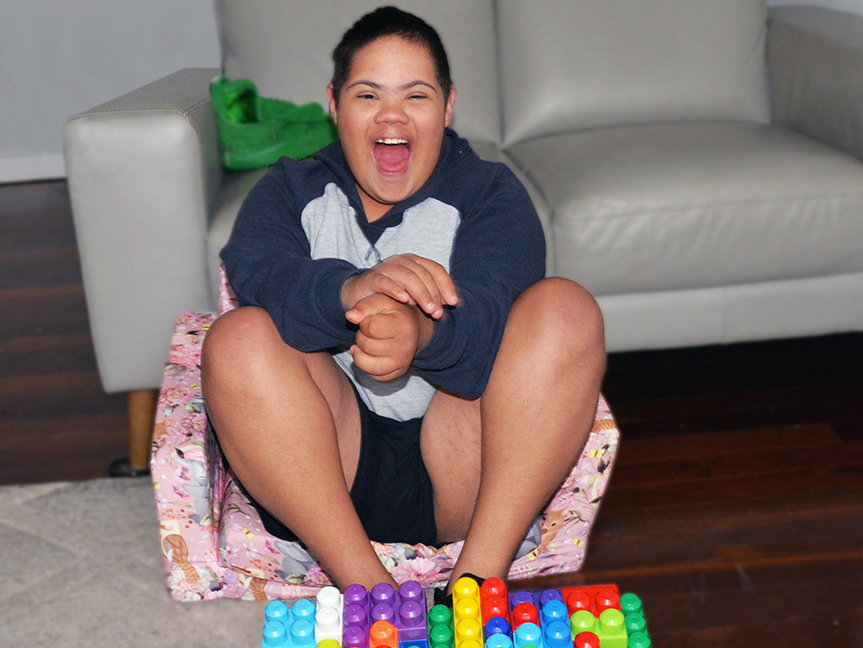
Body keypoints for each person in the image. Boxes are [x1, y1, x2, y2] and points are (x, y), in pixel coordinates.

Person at [201, 6, 605, 593]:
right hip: (325, 469)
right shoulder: (288, 189)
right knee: (237, 336)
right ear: (334, 104)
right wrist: (351, 290)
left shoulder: (490, 194)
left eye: (416, 96)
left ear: (448, 106)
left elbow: (496, 323)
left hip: (463, 472)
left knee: (565, 307)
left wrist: (422, 334)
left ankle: (476, 587)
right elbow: (261, 273)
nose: (392, 114)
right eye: (368, 95)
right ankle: (368, 591)